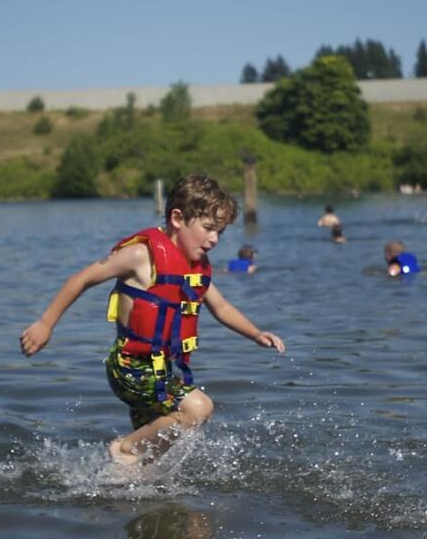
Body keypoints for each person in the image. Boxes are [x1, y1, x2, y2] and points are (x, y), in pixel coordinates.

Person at [20, 174, 285, 465]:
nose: (214, 239)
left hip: (161, 369)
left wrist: (256, 334)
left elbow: (221, 307)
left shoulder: (193, 268)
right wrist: (46, 323)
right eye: (209, 228)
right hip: (130, 367)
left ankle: (127, 479)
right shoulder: (139, 255)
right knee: (198, 409)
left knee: (153, 457)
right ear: (177, 218)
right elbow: (81, 279)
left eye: (220, 232)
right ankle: (123, 449)